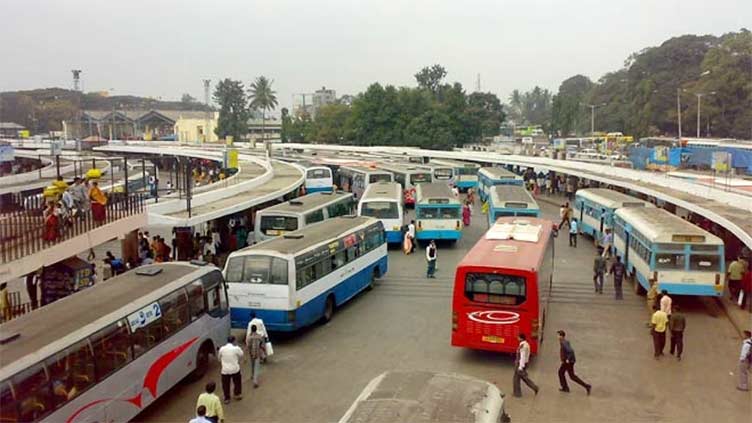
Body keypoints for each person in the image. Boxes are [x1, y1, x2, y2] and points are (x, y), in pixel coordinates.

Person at [557, 330, 592, 395]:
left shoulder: (564, 343)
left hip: (568, 362)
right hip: (567, 362)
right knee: (561, 373)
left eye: (558, 335)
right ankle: (565, 387)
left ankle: (587, 386)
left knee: (571, 376)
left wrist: (567, 359)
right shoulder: (564, 342)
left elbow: (571, 351)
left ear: (561, 336)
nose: (557, 336)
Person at [217, 336, 243, 404]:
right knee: (237, 382)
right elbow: (241, 354)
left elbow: (219, 358)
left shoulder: (222, 349)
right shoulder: (236, 348)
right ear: (234, 341)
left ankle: (227, 398)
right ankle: (237, 394)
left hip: (225, 370)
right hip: (235, 369)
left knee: (225, 384)